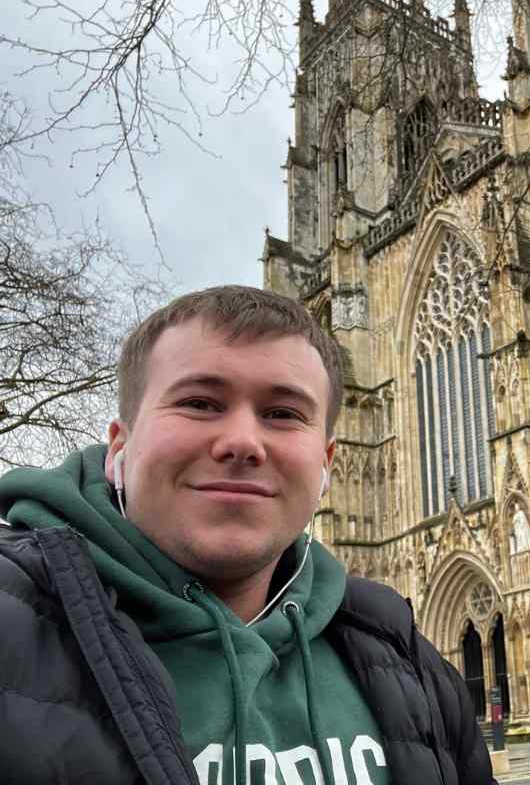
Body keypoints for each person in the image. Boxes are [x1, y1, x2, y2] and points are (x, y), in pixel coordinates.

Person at [0, 286, 493, 785]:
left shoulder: (399, 646)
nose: (242, 442)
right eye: (199, 402)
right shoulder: (13, 620)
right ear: (118, 448)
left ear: (327, 464)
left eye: (283, 413)